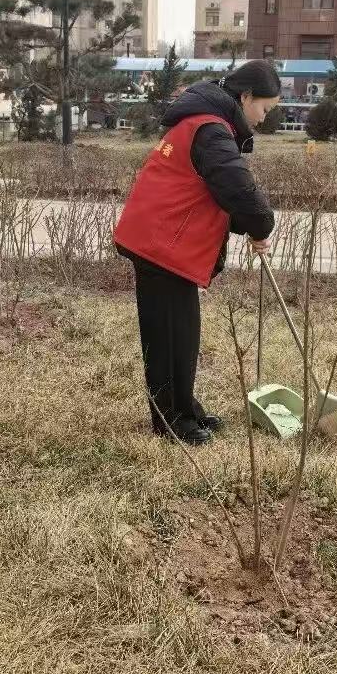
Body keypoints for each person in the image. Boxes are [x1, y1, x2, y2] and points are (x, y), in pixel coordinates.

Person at [114, 60, 279, 446]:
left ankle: (185, 410)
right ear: (246, 97)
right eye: (264, 108)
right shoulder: (211, 130)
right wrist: (260, 225)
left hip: (163, 242)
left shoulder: (205, 123)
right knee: (169, 338)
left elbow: (215, 191)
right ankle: (171, 422)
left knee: (181, 335)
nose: (263, 118)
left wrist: (249, 226)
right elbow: (238, 189)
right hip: (160, 246)